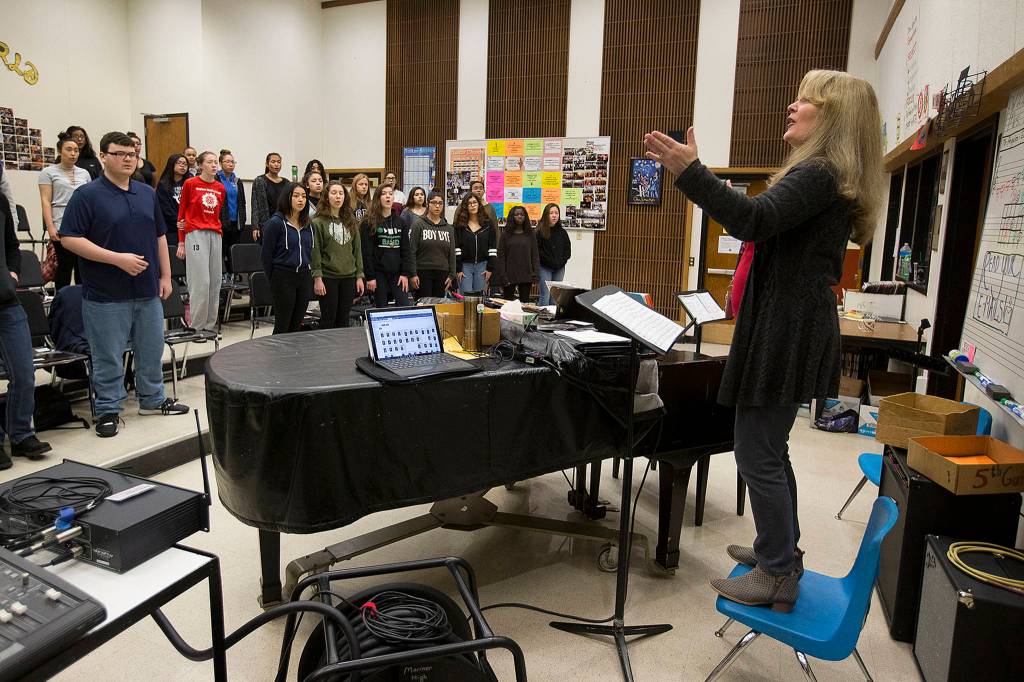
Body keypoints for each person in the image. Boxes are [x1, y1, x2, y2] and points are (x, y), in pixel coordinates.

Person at [644, 69, 883, 611]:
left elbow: (752, 220)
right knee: (772, 449)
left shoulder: (820, 173)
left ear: (834, 117)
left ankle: (777, 572)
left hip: (787, 327)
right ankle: (781, 553)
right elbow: (763, 222)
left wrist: (690, 172)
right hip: (790, 323)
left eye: (806, 100)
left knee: (756, 454)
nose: (792, 106)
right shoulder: (824, 176)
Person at [59, 131, 190, 438]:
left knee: (150, 348)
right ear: (104, 156)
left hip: (146, 290)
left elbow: (160, 235)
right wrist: (116, 258)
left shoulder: (146, 192)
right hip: (105, 293)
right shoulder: (87, 195)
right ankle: (108, 408)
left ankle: (152, 399)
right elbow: (69, 239)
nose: (128, 159)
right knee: (108, 354)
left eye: (132, 153)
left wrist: (166, 276)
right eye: (120, 153)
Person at [0, 164, 52, 464]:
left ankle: (20, 434)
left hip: (6, 301)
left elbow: (11, 246)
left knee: (24, 371)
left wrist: (13, 274)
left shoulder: (0, 203)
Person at [176, 151, 225, 334]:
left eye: (215, 162)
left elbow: (217, 212)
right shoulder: (190, 184)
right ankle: (196, 327)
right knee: (201, 281)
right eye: (210, 162)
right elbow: (181, 215)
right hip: (195, 234)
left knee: (215, 281)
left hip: (215, 234)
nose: (214, 165)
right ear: (200, 165)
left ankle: (209, 326)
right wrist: (181, 242)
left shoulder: (220, 188)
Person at [38, 134, 90, 291]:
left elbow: (90, 200)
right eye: (69, 149)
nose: (73, 153)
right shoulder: (48, 173)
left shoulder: (84, 173)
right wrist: (50, 226)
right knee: (65, 266)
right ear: (60, 151)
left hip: (82, 225)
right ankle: (61, 302)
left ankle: (83, 301)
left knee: (83, 266)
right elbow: (45, 201)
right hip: (61, 223)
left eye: (76, 150)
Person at [261, 183, 313, 334]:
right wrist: (274, 278)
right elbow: (266, 255)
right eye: (296, 196)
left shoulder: (309, 225)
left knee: (297, 324)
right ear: (287, 198)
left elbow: (311, 251)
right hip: (283, 276)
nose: (300, 200)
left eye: (304, 196)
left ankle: (293, 356)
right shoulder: (275, 223)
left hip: (304, 276)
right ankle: (277, 356)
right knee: (283, 324)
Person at [311, 180, 363, 329]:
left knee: (343, 319)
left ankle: (343, 351)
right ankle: (326, 352)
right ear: (327, 197)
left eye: (341, 193)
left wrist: (359, 275)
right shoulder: (317, 222)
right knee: (329, 319)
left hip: (348, 277)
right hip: (328, 277)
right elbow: (315, 252)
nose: (338, 196)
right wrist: (317, 278)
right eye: (334, 193)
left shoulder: (351, 221)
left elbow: (357, 250)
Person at [361, 184, 411, 308]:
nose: (388, 196)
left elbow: (406, 250)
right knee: (381, 308)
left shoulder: (401, 222)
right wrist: (370, 277)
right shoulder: (368, 222)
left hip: (397, 273)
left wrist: (405, 274)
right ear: (378, 198)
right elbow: (366, 252)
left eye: (390, 193)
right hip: (378, 273)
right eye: (384, 194)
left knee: (404, 306)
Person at [410, 190, 455, 298]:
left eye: (440, 203)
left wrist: (452, 274)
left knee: (438, 307)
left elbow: (452, 253)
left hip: (442, 272)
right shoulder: (418, 224)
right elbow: (411, 251)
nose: (437, 206)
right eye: (434, 202)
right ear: (428, 203)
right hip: (422, 271)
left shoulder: (449, 228)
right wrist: (412, 274)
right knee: (423, 307)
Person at [453, 192, 496, 294]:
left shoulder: (488, 224)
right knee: (465, 298)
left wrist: (490, 268)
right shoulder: (459, 225)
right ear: (465, 207)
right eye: (469, 203)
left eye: (474, 202)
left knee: (480, 299)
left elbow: (492, 248)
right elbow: (456, 248)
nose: (472, 205)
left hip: (482, 265)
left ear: (479, 204)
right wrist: (458, 269)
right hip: (465, 267)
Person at [496, 205, 538, 301]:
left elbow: (535, 255)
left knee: (524, 305)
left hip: (526, 275)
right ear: (512, 217)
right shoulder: (505, 235)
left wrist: (535, 274)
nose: (520, 216)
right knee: (508, 305)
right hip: (509, 275)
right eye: (517, 214)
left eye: (522, 214)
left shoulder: (530, 234)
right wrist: (502, 275)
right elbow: (501, 257)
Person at [216, 149, 247, 278]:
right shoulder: (216, 179)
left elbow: (242, 202)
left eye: (232, 162)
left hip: (236, 222)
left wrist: (243, 220)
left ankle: (233, 280)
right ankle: (222, 281)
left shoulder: (237, 181)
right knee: (221, 252)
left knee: (233, 253)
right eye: (227, 161)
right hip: (221, 223)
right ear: (220, 163)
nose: (230, 164)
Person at [535, 202, 571, 306]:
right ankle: (542, 321)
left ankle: (552, 321)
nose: (554, 215)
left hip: (559, 268)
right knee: (545, 295)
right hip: (544, 267)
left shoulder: (562, 232)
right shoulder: (539, 231)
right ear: (546, 214)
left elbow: (567, 250)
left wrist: (561, 262)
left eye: (556, 213)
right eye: (551, 213)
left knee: (555, 297)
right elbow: (538, 251)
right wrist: (550, 262)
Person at [156, 154, 188, 252]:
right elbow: (165, 209)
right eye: (179, 163)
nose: (183, 166)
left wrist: (188, 222)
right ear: (171, 164)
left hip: (189, 227)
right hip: (172, 229)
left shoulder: (190, 182)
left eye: (185, 164)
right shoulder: (163, 184)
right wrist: (179, 222)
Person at [251, 152, 286, 241]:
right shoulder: (260, 181)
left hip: (283, 224)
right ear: (267, 164)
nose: (276, 164)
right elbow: (255, 205)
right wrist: (255, 226)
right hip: (266, 224)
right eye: (273, 162)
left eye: (278, 162)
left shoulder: (286, 183)